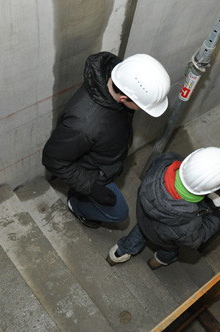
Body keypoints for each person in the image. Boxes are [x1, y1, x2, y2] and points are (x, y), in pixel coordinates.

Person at [42, 52, 171, 228]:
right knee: (119, 214)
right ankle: (77, 205)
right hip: (92, 173)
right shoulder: (83, 125)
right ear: (124, 98)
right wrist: (92, 187)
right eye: (141, 105)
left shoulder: (118, 79)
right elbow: (53, 158)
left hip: (105, 157)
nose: (141, 110)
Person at [106, 147, 220, 270]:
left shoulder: (165, 161)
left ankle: (119, 253)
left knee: (141, 230)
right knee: (170, 250)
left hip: (144, 218)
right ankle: (158, 261)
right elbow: (198, 238)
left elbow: (176, 191)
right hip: (165, 239)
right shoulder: (189, 227)